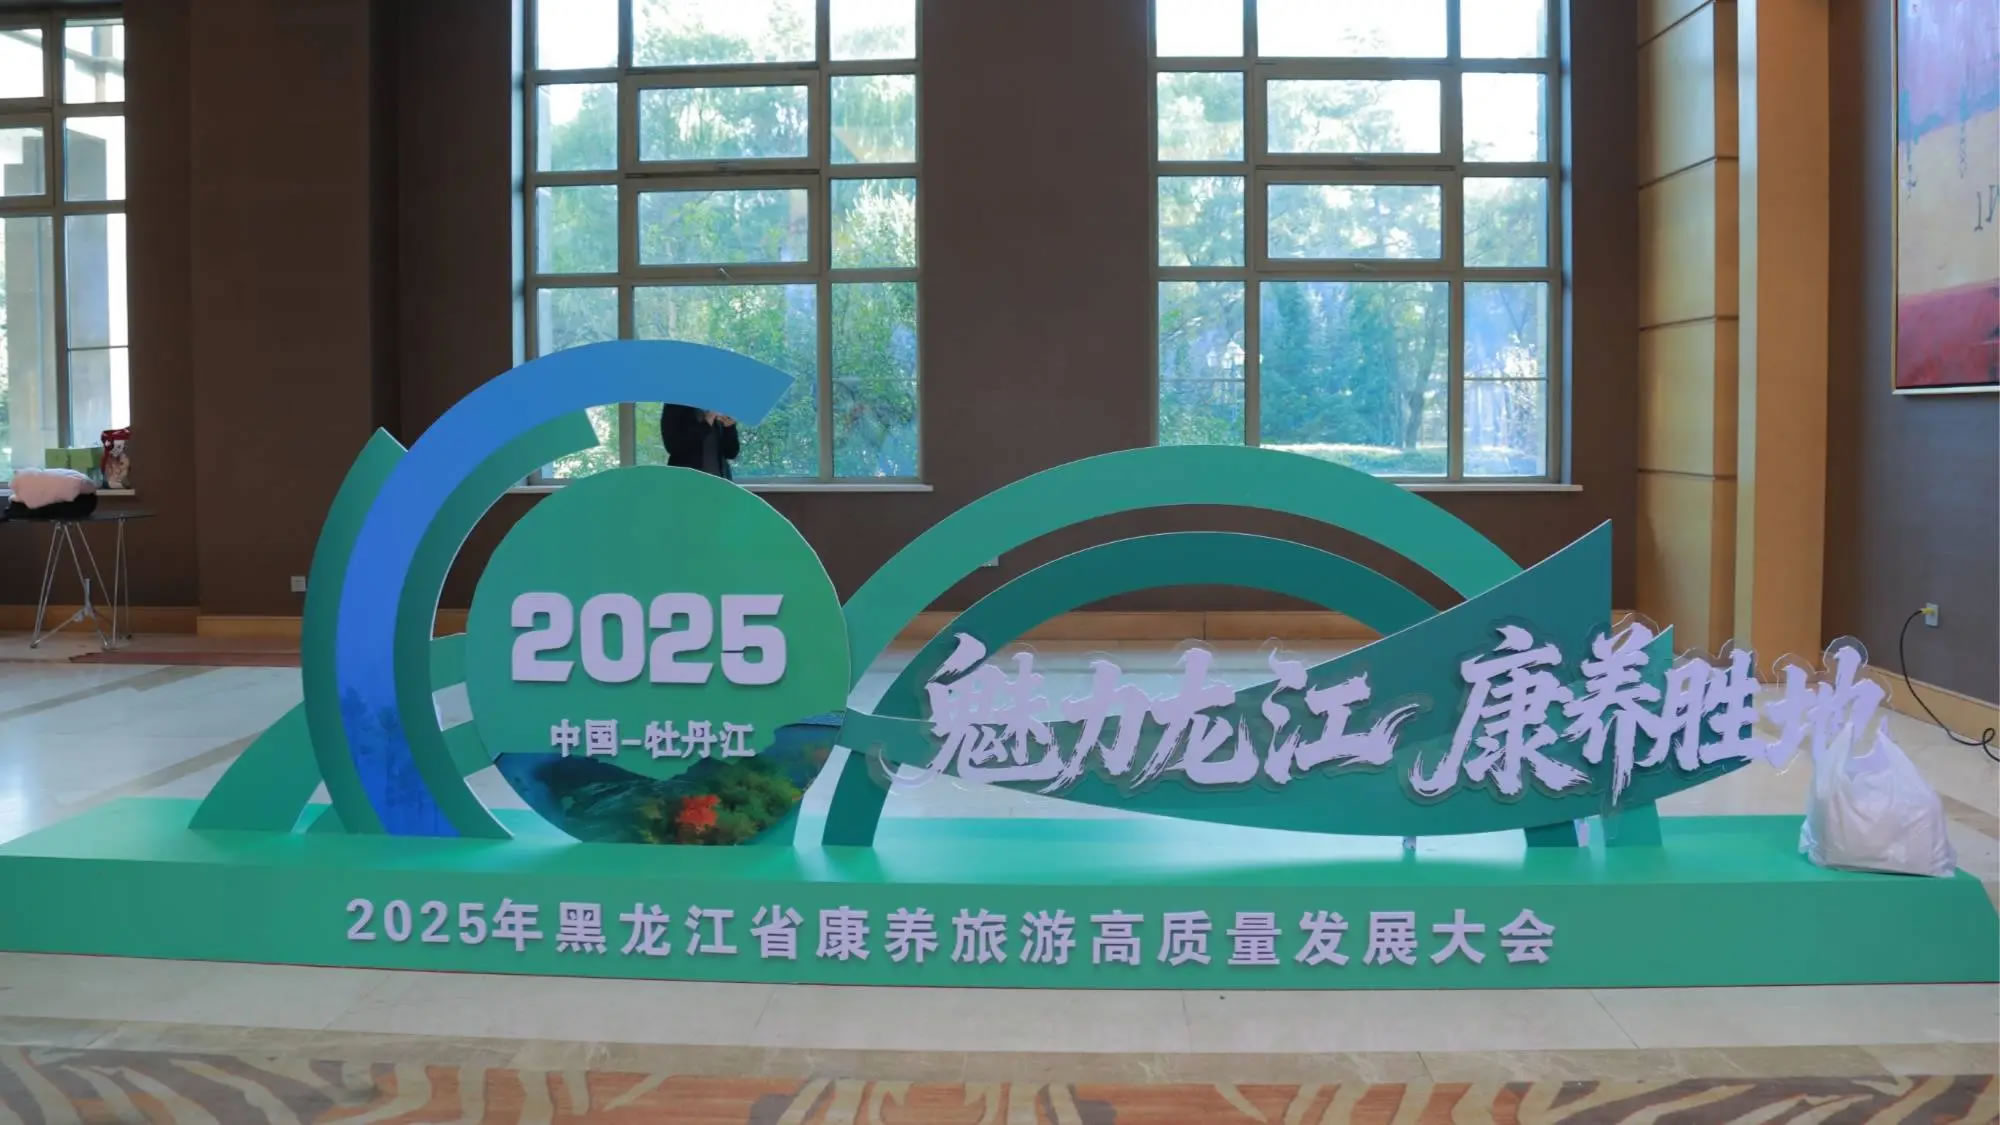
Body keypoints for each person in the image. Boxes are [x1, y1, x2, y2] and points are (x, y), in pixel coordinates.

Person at [660, 404, 740, 479]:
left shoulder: (719, 407)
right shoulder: (675, 405)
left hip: (721, 481)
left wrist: (729, 427)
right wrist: (707, 421)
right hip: (687, 481)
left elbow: (731, 453)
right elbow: (672, 446)